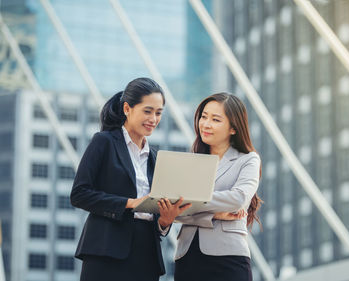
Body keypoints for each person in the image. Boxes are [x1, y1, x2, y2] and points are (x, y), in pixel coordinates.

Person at [70, 77, 191, 281]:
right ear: (127, 108)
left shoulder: (156, 157)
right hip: (106, 250)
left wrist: (165, 221)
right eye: (147, 111)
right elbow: (79, 194)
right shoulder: (104, 142)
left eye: (158, 113)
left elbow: (154, 213)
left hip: (146, 254)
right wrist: (130, 203)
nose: (153, 118)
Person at [174, 93, 263, 281]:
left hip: (228, 257)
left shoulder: (248, 160)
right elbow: (175, 210)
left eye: (215, 119)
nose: (205, 124)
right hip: (188, 256)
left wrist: (191, 200)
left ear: (233, 128)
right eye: (204, 117)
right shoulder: (192, 162)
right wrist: (213, 214)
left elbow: (238, 199)